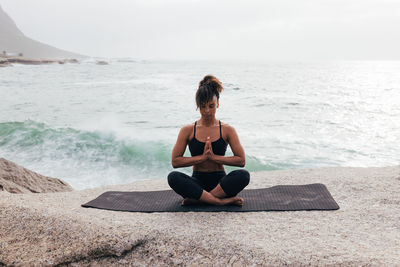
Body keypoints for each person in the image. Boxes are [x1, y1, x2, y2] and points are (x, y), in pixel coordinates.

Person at [168, 75, 250, 206]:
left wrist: (213, 157)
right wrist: (202, 158)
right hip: (197, 181)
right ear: (197, 105)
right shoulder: (188, 130)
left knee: (243, 175)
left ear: (218, 104)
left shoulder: (227, 130)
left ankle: (200, 199)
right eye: (202, 106)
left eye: (211, 106)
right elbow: (175, 161)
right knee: (173, 177)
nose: (207, 111)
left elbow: (241, 161)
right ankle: (220, 202)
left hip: (220, 184)